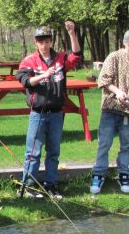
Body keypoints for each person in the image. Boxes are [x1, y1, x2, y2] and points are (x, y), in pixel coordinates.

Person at [16, 21, 81, 200]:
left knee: (53, 151)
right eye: (40, 41)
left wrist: (72, 33)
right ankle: (28, 185)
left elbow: (76, 56)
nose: (44, 44)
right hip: (38, 113)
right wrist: (43, 75)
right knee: (33, 152)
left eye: (47, 41)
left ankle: (51, 184)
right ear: (36, 43)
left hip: (56, 113)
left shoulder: (60, 58)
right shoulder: (29, 60)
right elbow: (25, 81)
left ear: (51, 41)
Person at [89, 30, 129, 194]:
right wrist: (118, 92)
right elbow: (103, 79)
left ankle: (124, 174)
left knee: (126, 146)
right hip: (110, 109)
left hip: (127, 111)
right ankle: (98, 175)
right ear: (127, 43)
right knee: (104, 144)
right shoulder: (114, 57)